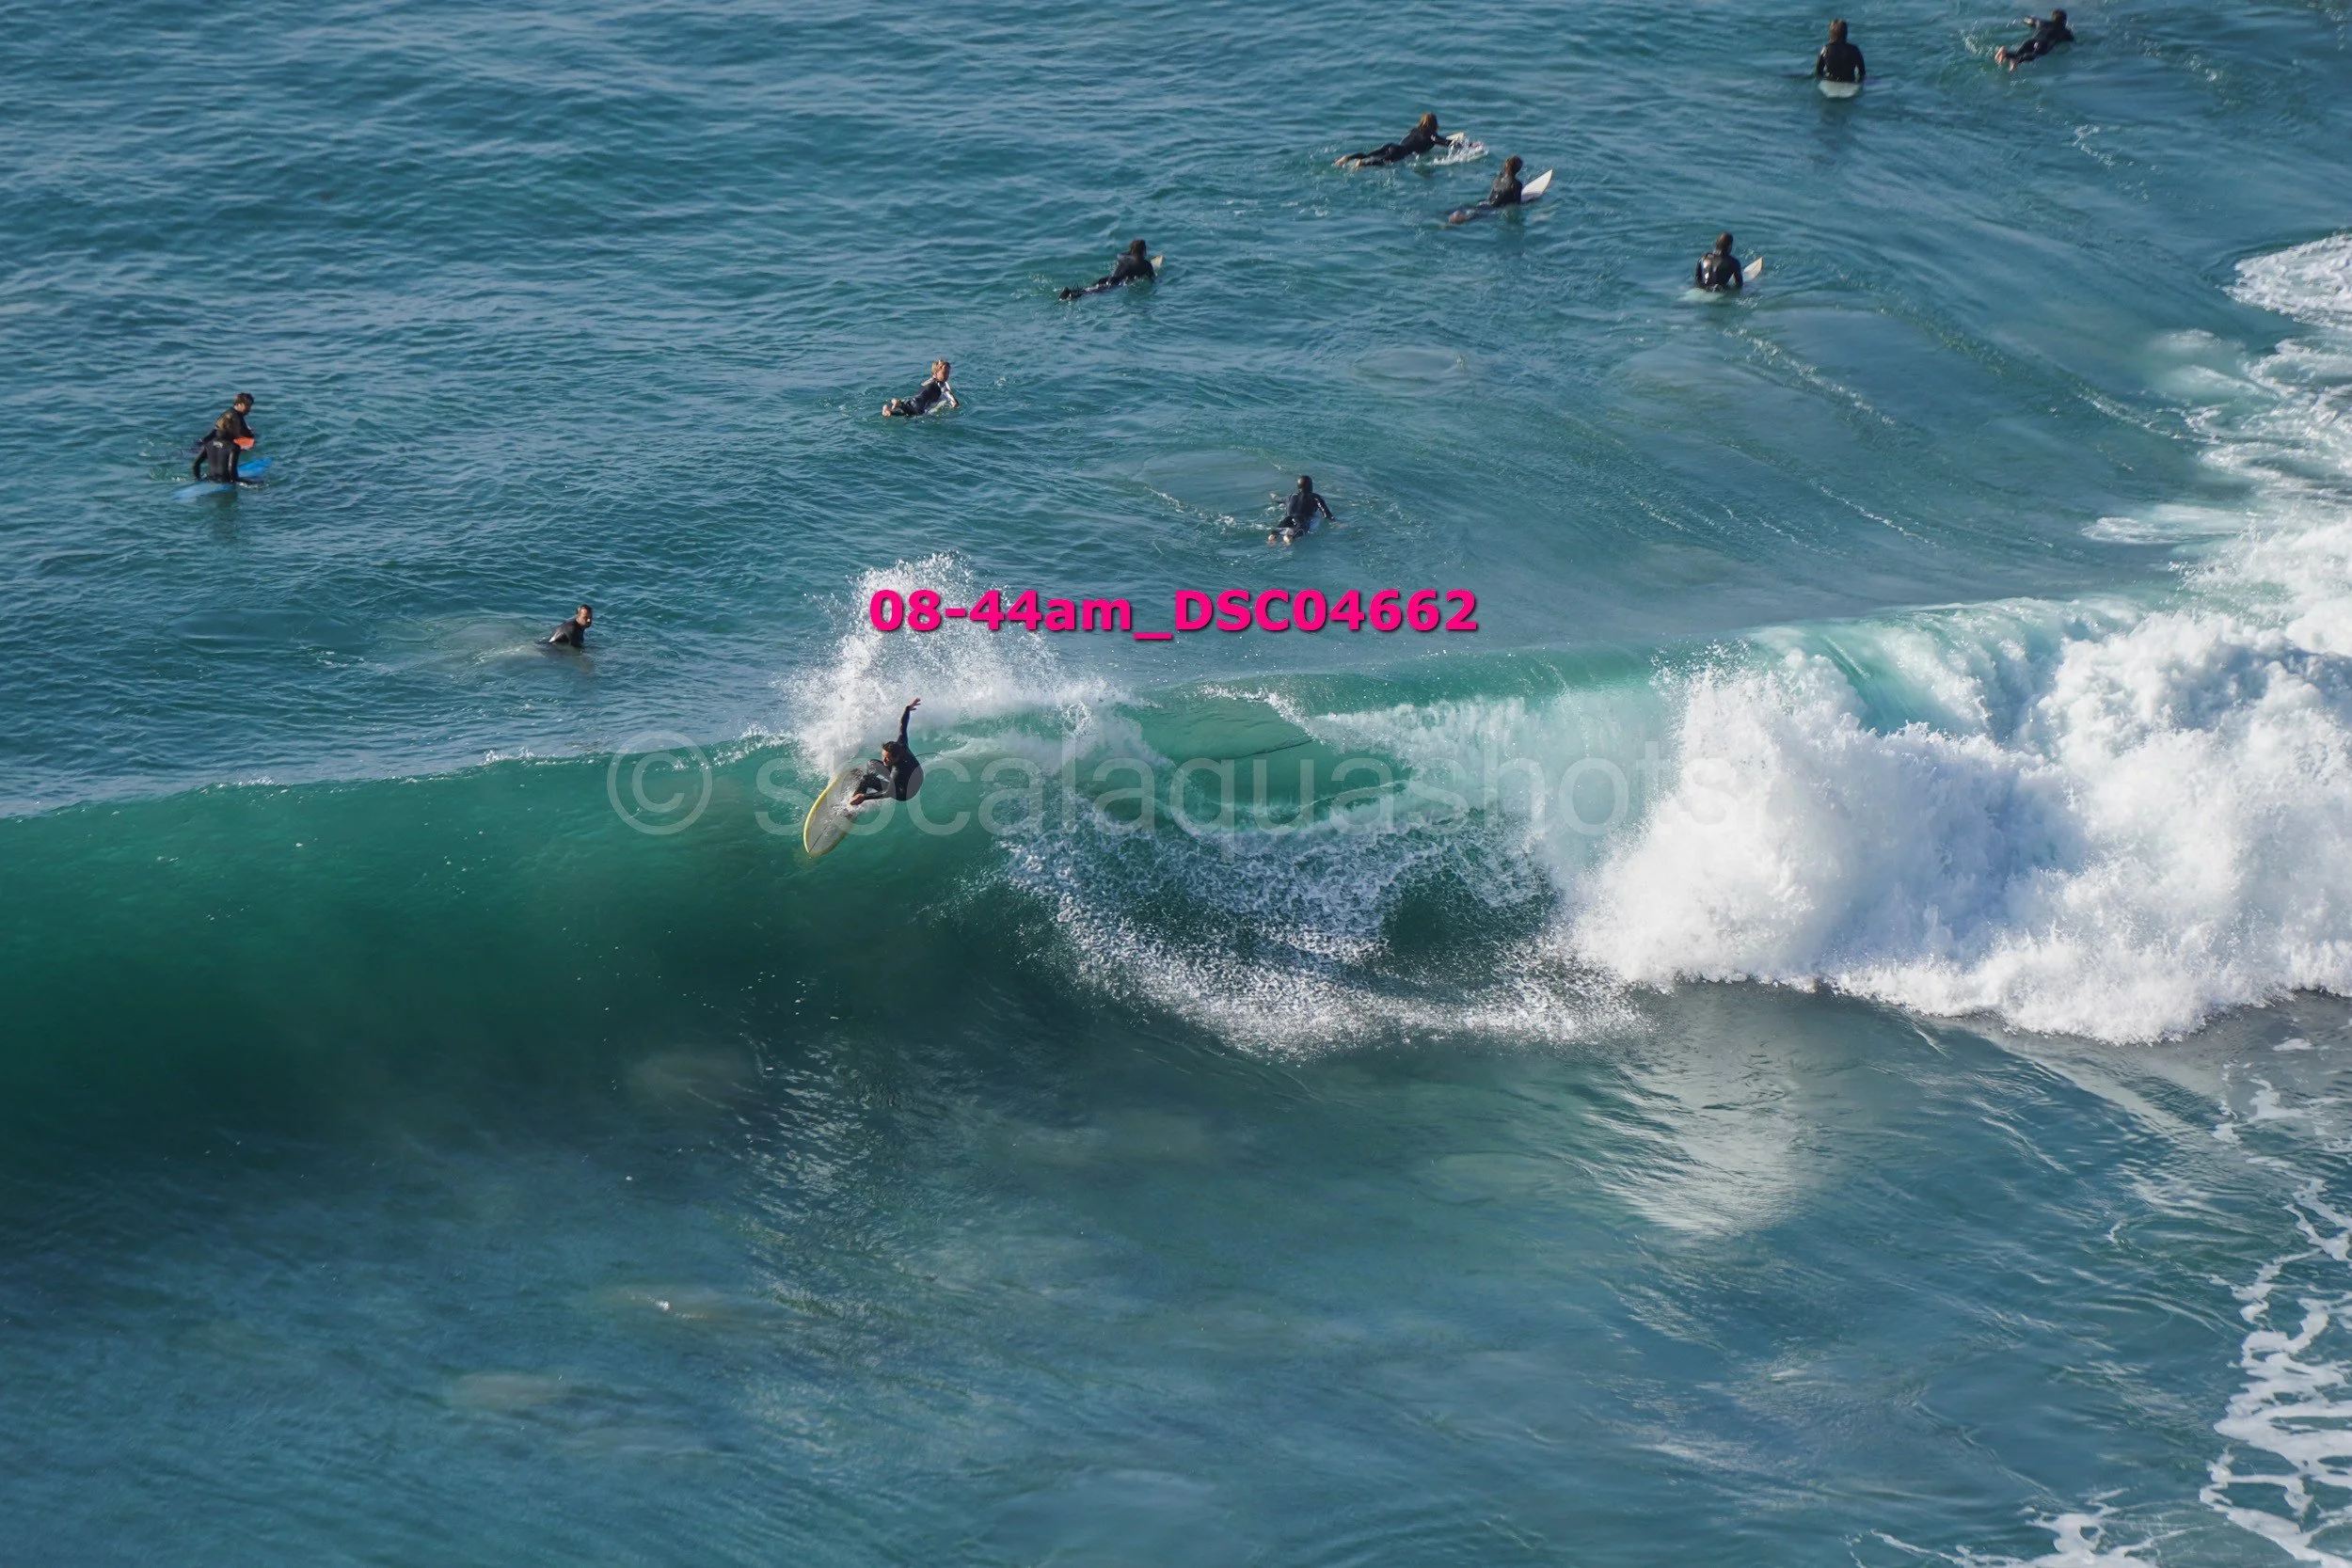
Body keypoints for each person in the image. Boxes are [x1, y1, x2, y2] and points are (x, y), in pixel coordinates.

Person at [850, 700, 924, 807]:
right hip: (911, 777)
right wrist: (907, 708)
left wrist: (864, 797)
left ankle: (853, 805)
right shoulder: (901, 744)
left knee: (865, 779)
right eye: (883, 756)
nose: (883, 760)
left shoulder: (897, 771)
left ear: (897, 757)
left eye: (887, 759)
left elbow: (889, 792)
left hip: (904, 792)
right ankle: (867, 785)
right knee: (872, 763)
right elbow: (903, 725)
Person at [1337, 113, 1452, 168]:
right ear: (1435, 124)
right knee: (1382, 162)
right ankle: (1363, 164)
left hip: (1392, 145)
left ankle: (1348, 158)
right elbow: (1446, 143)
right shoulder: (1432, 136)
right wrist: (1467, 144)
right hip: (1399, 152)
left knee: (1369, 154)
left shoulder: (1415, 130)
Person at [191, 392, 256, 483]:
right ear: (238, 404)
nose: (250, 409)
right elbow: (231, 472)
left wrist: (198, 480)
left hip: (210, 476)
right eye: (247, 405)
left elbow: (195, 464)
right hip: (225, 480)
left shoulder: (208, 444)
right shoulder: (233, 447)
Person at [1059, 241, 1155, 300]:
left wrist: (1131, 252)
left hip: (1109, 278)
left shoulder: (1122, 257)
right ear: (1143, 251)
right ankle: (1073, 295)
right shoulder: (1146, 265)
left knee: (1091, 288)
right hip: (1117, 283)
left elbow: (1120, 254)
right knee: (1094, 292)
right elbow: (1152, 279)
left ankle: (1071, 292)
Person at [1447, 155, 1526, 224]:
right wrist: (1530, 201)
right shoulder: (1516, 184)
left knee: (1473, 209)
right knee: (1473, 217)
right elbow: (1517, 203)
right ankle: (1458, 220)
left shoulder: (1497, 179)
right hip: (1494, 208)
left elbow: (1491, 196)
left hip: (1485, 202)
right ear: (1518, 169)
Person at [1270, 475, 1335, 545]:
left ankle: (1271, 537)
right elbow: (1326, 513)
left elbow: (1277, 499)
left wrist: (1273, 495)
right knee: (1296, 534)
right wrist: (1335, 522)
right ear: (1311, 486)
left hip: (1288, 518)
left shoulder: (1290, 496)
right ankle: (1288, 538)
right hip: (1301, 520)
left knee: (1276, 532)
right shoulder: (1316, 497)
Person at [884, 359, 960, 418]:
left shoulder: (929, 381)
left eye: (948, 373)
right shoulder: (940, 384)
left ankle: (890, 411)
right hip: (919, 404)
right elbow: (947, 392)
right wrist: (955, 401)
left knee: (908, 414)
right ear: (936, 373)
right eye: (945, 373)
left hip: (913, 400)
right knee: (917, 413)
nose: (947, 375)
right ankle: (899, 404)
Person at [1995, 9, 2073, 67]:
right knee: (2034, 55)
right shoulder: (2065, 31)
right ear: (2064, 21)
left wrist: (2026, 19)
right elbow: (2072, 41)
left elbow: (2028, 19)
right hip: (2044, 44)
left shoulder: (2041, 22)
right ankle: (2018, 60)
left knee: (2017, 53)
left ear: (2052, 18)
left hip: (2031, 41)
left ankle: (2005, 52)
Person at [1815, 19, 1865, 83]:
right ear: (1846, 33)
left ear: (1831, 33)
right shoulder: (1854, 50)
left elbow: (1818, 73)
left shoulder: (1825, 50)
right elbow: (1862, 73)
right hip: (1850, 81)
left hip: (1831, 81)